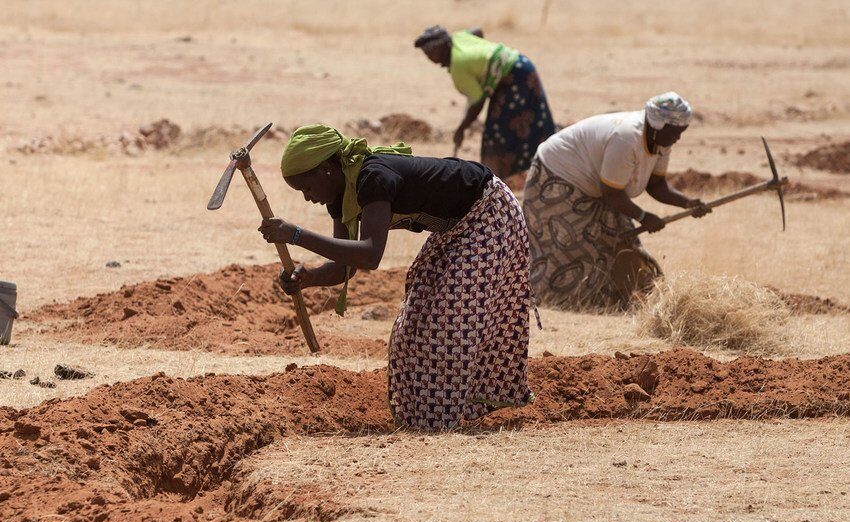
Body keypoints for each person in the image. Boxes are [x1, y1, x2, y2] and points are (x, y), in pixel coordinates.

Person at [258, 124, 534, 430]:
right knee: (410, 329)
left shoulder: (372, 177)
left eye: (306, 189)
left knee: (450, 322)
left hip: (488, 213)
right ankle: (421, 421)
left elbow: (370, 254)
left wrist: (296, 235)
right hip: (456, 228)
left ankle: (448, 419)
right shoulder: (341, 194)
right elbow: (344, 265)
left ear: (325, 170)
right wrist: (307, 277)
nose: (308, 198)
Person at [522, 92, 711, 310]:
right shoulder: (627, 137)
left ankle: (621, 297)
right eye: (675, 133)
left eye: (681, 133)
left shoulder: (660, 141)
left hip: (595, 186)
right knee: (570, 245)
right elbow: (612, 193)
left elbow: (656, 185)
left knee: (618, 236)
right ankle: (550, 300)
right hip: (557, 174)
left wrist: (687, 203)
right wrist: (643, 217)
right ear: (659, 124)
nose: (678, 138)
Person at [414, 25, 555, 181]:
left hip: (514, 79)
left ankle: (499, 180)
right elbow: (478, 31)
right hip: (522, 64)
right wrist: (484, 58)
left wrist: (462, 128)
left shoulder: (459, 67)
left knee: (499, 132)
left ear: (443, 47)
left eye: (431, 52)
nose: (429, 57)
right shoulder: (459, 37)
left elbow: (478, 101)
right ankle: (537, 170)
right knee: (531, 123)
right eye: (426, 53)